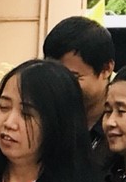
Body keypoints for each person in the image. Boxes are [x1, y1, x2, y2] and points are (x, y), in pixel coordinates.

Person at [43, 15, 116, 151]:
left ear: (106, 69)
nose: (60, 84)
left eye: (72, 76)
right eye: (53, 75)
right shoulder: (44, 120)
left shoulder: (120, 131)